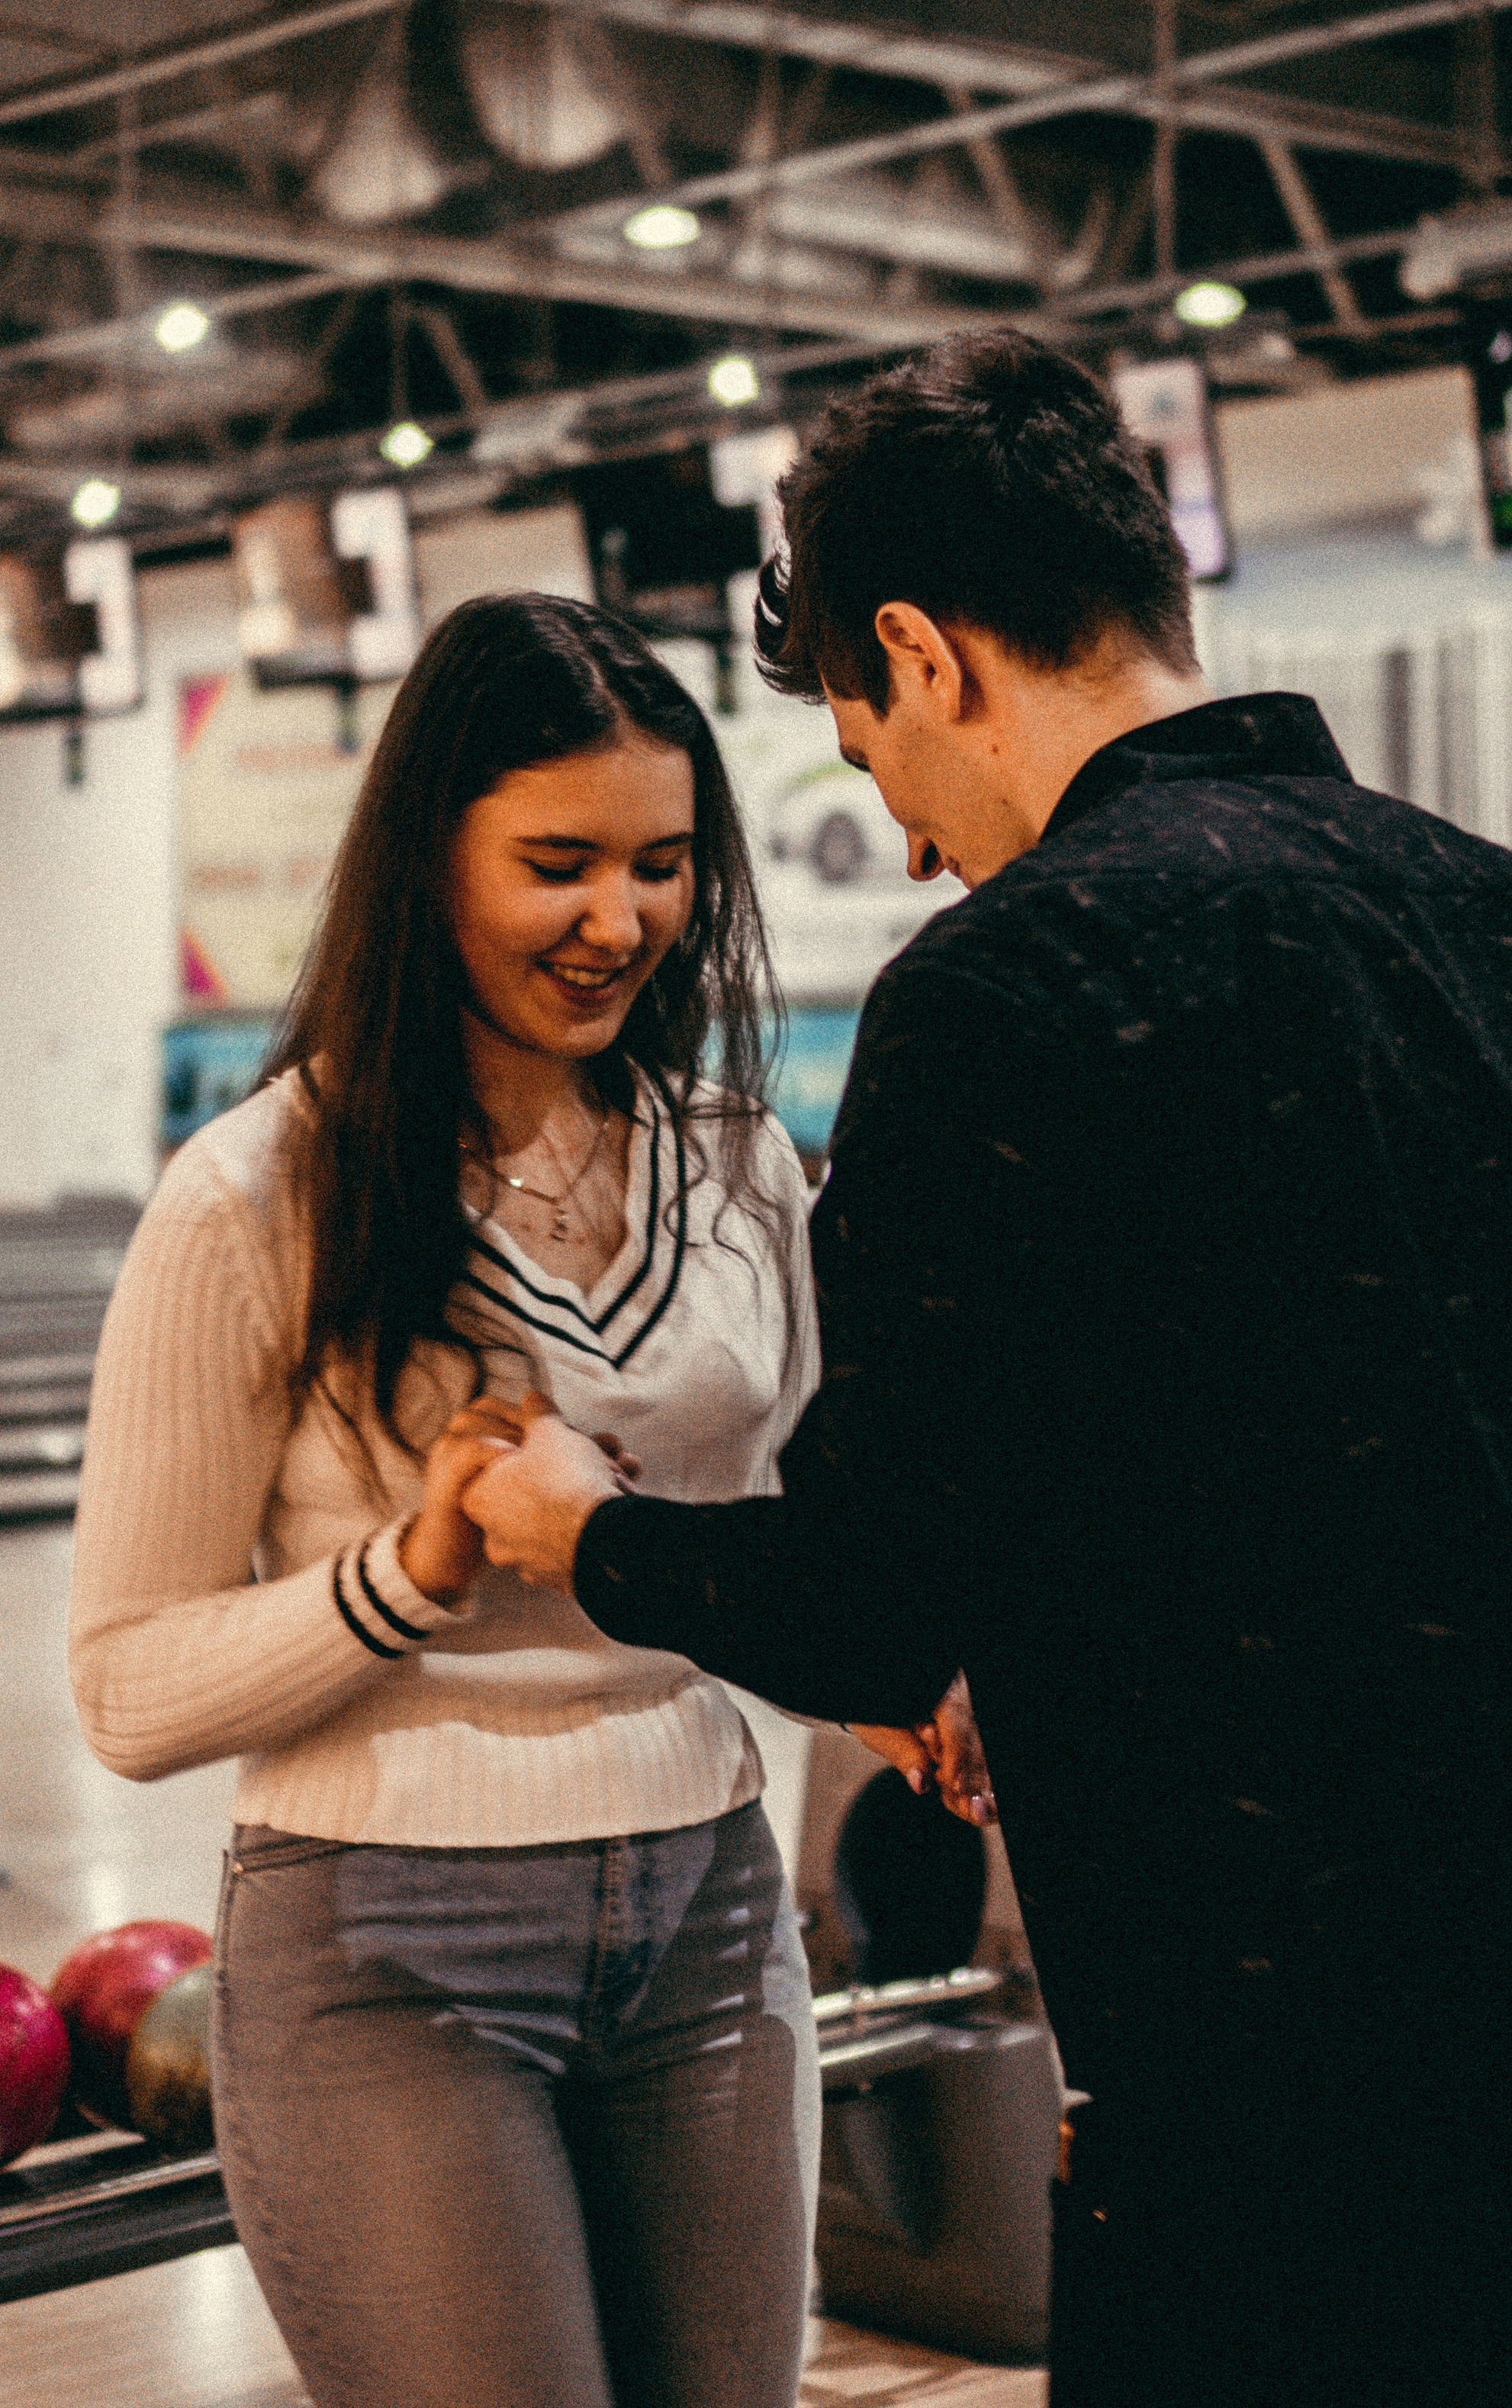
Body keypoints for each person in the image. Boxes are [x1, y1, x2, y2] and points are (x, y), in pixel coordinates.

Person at [460, 336, 1512, 2408]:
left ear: (922, 652)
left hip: (1289, 2116)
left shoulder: (1013, 990)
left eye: (867, 751)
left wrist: (584, 1527)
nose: (904, 843)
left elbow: (869, 1599)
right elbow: (1495, 1513)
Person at [70, 593, 833, 2408]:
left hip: (712, 1910)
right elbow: (124, 1686)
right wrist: (405, 1573)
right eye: (555, 864)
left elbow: (798, 1529)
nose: (619, 920)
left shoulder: (735, 1167)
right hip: (385, 1946)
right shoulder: (256, 1194)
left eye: (661, 865)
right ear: (426, 859)